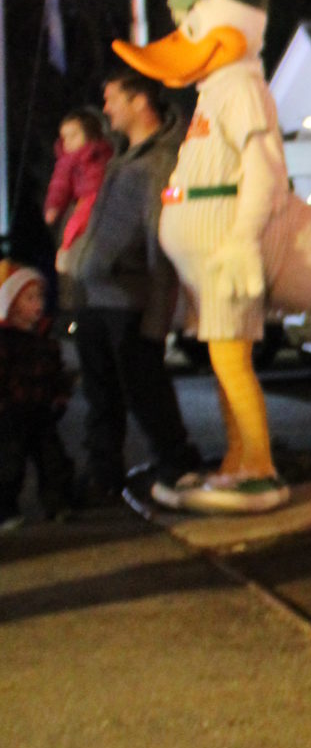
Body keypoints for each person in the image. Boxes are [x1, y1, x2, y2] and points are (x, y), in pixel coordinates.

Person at [74, 69, 201, 504]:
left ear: (139, 102)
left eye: (112, 98)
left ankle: (177, 462)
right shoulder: (125, 158)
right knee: (101, 393)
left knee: (144, 390)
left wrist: (156, 317)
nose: (106, 108)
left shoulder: (158, 164)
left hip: (128, 300)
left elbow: (160, 242)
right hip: (97, 297)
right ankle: (102, 475)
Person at [0, 263, 74, 530]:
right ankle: (6, 509)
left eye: (40, 297)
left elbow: (57, 372)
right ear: (11, 303)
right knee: (9, 464)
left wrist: (61, 393)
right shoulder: (6, 341)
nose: (38, 304)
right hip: (12, 413)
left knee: (52, 460)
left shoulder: (45, 340)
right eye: (29, 298)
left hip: (42, 411)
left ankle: (57, 503)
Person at [43, 109, 113, 301]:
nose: (68, 142)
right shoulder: (66, 161)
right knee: (75, 225)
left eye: (74, 135)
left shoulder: (103, 153)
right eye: (64, 137)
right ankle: (66, 249)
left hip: (99, 197)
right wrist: (53, 206)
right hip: (85, 199)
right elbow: (59, 185)